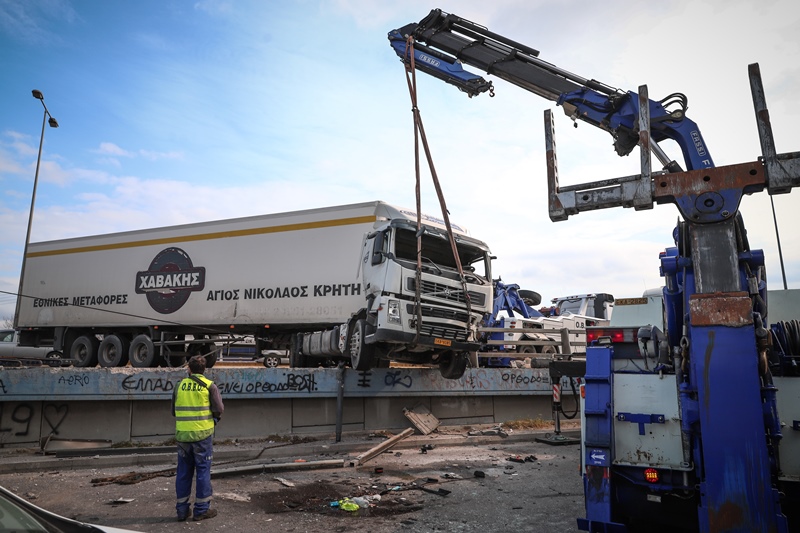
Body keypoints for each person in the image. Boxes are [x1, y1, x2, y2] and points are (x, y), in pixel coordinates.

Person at [172, 355, 224, 521]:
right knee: (202, 472)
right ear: (205, 369)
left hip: (183, 436)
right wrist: (214, 420)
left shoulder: (179, 386)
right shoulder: (209, 386)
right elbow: (219, 409)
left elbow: (174, 410)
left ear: (189, 369)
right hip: (202, 435)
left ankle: (182, 510)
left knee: (183, 472)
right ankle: (201, 510)